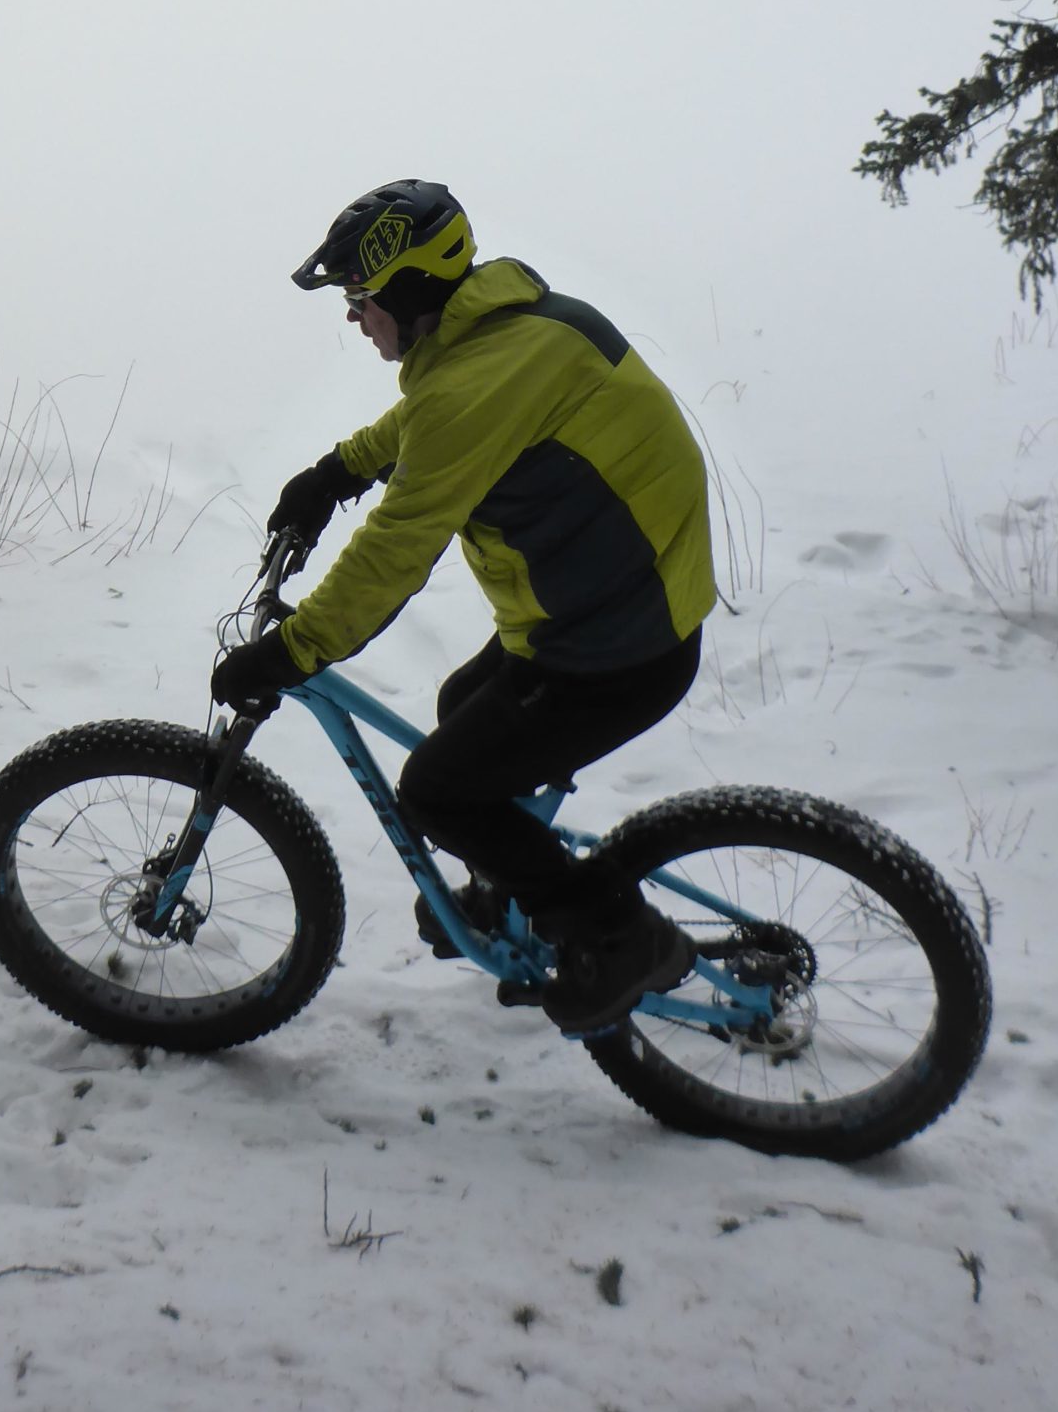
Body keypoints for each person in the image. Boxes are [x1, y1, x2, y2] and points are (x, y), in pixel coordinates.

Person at [211, 179, 715, 1035]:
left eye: (360, 298)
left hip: (621, 645)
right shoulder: (508, 332)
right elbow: (429, 418)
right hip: (602, 611)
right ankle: (511, 888)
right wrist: (339, 470)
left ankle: (623, 938)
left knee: (441, 792)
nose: (352, 316)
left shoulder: (474, 382)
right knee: (459, 714)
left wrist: (294, 651)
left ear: (409, 291)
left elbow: (396, 549)